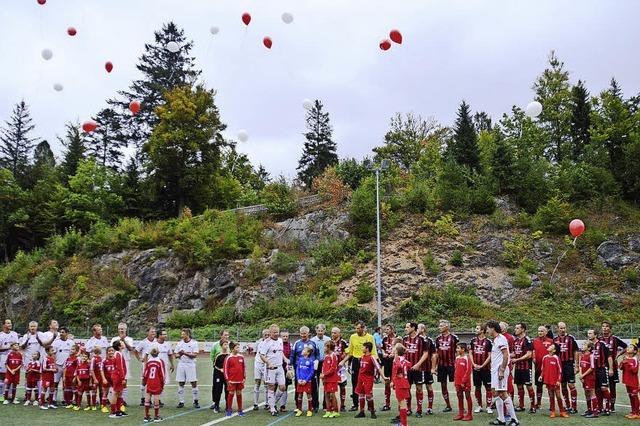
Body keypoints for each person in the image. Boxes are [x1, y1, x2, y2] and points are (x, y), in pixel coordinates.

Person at [485, 320, 519, 426]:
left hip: (500, 370)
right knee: (495, 392)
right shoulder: (495, 340)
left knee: (503, 393)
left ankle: (514, 420)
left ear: (492, 328)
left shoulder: (501, 339)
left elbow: (506, 355)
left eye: (487, 328)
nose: (486, 331)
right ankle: (501, 418)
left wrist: (502, 369)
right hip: (495, 370)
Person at [339, 321, 377, 412]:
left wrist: (374, 365)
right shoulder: (353, 337)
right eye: (356, 328)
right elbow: (350, 352)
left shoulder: (370, 337)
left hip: (367, 361)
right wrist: (343, 361)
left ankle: (370, 406)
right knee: (355, 383)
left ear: (363, 328)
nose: (357, 330)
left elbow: (374, 352)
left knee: (367, 384)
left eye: (359, 328)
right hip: (356, 361)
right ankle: (355, 404)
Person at [403, 321, 434, 417]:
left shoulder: (422, 339)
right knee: (407, 388)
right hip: (407, 369)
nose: (405, 329)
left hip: (419, 369)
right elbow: (403, 352)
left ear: (413, 328)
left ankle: (419, 410)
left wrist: (418, 364)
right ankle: (408, 409)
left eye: (407, 327)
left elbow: (426, 353)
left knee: (419, 388)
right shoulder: (405, 339)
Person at [290, 326, 320, 412]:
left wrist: (316, 361)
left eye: (305, 333)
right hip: (299, 369)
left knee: (313, 387)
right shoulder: (297, 343)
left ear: (308, 333)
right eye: (301, 333)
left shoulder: (313, 343)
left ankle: (315, 406)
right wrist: (290, 366)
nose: (303, 335)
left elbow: (317, 354)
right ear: (300, 333)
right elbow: (292, 355)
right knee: (298, 387)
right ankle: (298, 406)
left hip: (310, 369)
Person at [600, 320, 627, 412]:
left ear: (610, 329)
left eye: (607, 326)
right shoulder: (599, 339)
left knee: (612, 386)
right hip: (601, 367)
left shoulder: (615, 339)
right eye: (603, 326)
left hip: (613, 367)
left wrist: (618, 355)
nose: (605, 328)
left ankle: (612, 406)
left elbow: (626, 347)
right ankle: (603, 405)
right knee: (602, 387)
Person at [354, 341, 386, 419]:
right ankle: (362, 412)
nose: (362, 348)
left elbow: (378, 367)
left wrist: (384, 377)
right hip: (360, 378)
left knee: (369, 395)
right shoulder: (362, 357)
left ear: (367, 349)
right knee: (361, 395)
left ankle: (372, 411)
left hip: (368, 379)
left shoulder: (372, 357)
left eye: (363, 347)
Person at [260, 324, 286, 417]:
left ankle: (273, 402)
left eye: (277, 332)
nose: (276, 334)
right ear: (270, 333)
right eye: (274, 332)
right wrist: (269, 363)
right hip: (270, 369)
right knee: (271, 387)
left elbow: (281, 351)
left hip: (280, 367)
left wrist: (285, 359)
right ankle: (272, 409)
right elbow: (262, 355)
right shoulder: (266, 342)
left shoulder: (280, 340)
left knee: (282, 387)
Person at [554, 321, 579, 413]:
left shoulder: (571, 338)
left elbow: (576, 351)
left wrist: (576, 365)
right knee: (563, 385)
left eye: (564, 328)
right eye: (561, 328)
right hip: (560, 365)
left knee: (571, 385)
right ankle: (568, 405)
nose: (563, 330)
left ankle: (574, 407)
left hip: (569, 364)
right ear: (557, 329)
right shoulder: (555, 339)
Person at [434, 319, 459, 412]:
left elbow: (459, 351)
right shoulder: (438, 338)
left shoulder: (454, 338)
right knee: (443, 385)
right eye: (439, 325)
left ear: (447, 327)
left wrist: (458, 363)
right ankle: (448, 405)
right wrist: (435, 366)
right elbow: (436, 353)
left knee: (457, 385)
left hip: (452, 365)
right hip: (441, 365)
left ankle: (461, 405)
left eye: (441, 326)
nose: (439, 327)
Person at [588, 328, 613, 415]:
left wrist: (611, 368)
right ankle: (599, 407)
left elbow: (609, 356)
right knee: (597, 389)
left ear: (595, 335)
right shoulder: (589, 346)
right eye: (588, 334)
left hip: (602, 369)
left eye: (590, 333)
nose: (589, 335)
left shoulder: (602, 344)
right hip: (594, 371)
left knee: (604, 388)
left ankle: (608, 408)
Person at [540, 343, 569, 418]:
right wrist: (541, 376)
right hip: (548, 380)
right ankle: (553, 411)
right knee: (551, 395)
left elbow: (560, 370)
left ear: (554, 350)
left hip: (555, 380)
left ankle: (562, 411)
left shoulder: (556, 358)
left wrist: (558, 380)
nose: (549, 346)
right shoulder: (545, 357)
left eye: (551, 346)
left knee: (558, 396)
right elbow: (543, 369)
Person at [511, 323, 535, 413]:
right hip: (518, 368)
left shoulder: (527, 340)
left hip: (526, 367)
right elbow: (514, 353)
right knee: (519, 386)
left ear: (523, 329)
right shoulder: (515, 341)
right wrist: (507, 356)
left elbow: (529, 355)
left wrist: (517, 360)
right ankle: (521, 406)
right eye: (515, 328)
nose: (515, 329)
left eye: (517, 328)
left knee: (529, 386)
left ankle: (533, 406)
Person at [470, 323, 493, 414]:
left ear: (482, 330)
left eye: (477, 328)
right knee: (477, 387)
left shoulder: (488, 342)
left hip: (486, 369)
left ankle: (489, 406)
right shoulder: (473, 341)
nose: (476, 330)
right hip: (475, 368)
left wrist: (483, 365)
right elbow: (471, 353)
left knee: (488, 387)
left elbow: (490, 356)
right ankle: (479, 405)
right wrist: (473, 364)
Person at [110, 323, 135, 405]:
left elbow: (131, 349)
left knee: (124, 381)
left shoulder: (129, 339)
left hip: (126, 361)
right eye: (120, 328)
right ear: (118, 329)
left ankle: (122, 400)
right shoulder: (114, 339)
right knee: (115, 381)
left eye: (123, 329)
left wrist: (123, 340)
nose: (121, 330)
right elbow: (111, 349)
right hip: (116, 362)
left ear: (126, 329)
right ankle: (114, 399)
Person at [175, 328, 200, 409]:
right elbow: (176, 355)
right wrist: (180, 354)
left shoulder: (194, 343)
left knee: (193, 382)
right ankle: (181, 401)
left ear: (188, 334)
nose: (182, 335)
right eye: (181, 334)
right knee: (181, 382)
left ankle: (195, 401)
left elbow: (195, 355)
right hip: (181, 364)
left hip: (190, 364)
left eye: (183, 334)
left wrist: (184, 353)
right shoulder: (179, 343)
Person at [531, 324, 554, 409]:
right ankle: (539, 403)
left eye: (542, 331)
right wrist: (534, 358)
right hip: (538, 367)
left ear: (546, 332)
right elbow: (533, 351)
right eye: (539, 331)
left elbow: (553, 353)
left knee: (550, 386)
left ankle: (552, 405)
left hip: (548, 368)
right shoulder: (535, 341)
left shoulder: (551, 341)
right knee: (539, 385)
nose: (540, 332)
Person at [51, 326, 74, 406]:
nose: (61, 333)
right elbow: (53, 354)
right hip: (58, 365)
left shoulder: (71, 342)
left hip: (68, 367)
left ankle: (65, 399)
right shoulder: (55, 342)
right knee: (55, 383)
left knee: (66, 383)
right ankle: (53, 399)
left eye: (63, 332)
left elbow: (73, 353)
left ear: (67, 333)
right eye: (60, 332)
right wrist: (54, 364)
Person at [135, 326, 157, 407]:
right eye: (152, 331)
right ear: (148, 332)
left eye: (154, 332)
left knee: (153, 381)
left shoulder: (156, 341)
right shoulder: (143, 342)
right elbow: (136, 351)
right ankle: (143, 398)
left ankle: (154, 399)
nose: (153, 333)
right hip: (146, 365)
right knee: (144, 381)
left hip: (155, 365)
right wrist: (140, 359)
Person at [311, 323, 331, 413]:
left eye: (322, 330)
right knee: (315, 385)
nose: (320, 332)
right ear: (316, 331)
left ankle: (325, 405)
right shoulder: (312, 340)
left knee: (325, 384)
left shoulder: (328, 339)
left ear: (324, 331)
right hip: (316, 364)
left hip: (325, 363)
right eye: (318, 330)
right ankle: (315, 405)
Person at [143, 347, 166, 423]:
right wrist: (163, 383)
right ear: (158, 353)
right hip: (157, 381)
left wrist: (145, 381)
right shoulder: (160, 361)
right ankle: (156, 416)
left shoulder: (149, 361)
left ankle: (146, 416)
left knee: (148, 396)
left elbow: (145, 373)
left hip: (149, 381)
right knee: (156, 397)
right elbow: (162, 374)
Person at [223, 341, 246, 417]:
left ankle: (240, 409)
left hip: (240, 380)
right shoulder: (228, 358)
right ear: (232, 349)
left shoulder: (241, 357)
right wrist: (227, 379)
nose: (238, 348)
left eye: (239, 347)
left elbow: (244, 368)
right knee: (231, 394)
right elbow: (225, 369)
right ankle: (229, 409)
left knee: (239, 393)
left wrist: (244, 377)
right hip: (231, 380)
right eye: (237, 347)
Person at [392, 344, 412, 426]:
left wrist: (399, 373)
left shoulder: (397, 359)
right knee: (402, 402)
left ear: (396, 351)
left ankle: (404, 424)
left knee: (402, 403)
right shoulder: (404, 359)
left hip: (400, 382)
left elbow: (399, 366)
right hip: (404, 382)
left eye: (394, 349)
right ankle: (402, 423)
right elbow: (409, 364)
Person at [209, 329, 229, 410]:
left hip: (227, 372)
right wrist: (218, 367)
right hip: (218, 370)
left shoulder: (230, 345)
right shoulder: (215, 345)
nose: (227, 337)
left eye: (228, 335)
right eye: (225, 335)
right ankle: (215, 403)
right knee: (217, 387)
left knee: (227, 388)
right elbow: (212, 356)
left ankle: (228, 405)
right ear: (221, 336)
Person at [330, 326, 349, 412]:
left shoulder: (343, 342)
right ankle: (332, 405)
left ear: (339, 333)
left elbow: (349, 354)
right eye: (332, 332)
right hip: (332, 369)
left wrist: (343, 361)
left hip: (341, 368)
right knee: (331, 387)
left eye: (334, 332)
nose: (333, 334)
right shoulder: (329, 342)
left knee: (342, 387)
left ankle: (343, 405)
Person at [0, 319, 19, 402]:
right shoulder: (1, 335)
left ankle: (10, 395)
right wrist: (8, 347)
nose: (10, 324)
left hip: (13, 358)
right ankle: (1, 395)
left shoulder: (14, 334)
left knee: (12, 376)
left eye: (10, 323)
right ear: (4, 325)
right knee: (3, 376)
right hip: (3, 357)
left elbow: (16, 346)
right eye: (7, 323)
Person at [108, 340, 128, 418]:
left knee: (119, 393)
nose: (123, 343)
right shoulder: (118, 354)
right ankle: (113, 412)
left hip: (118, 376)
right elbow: (120, 367)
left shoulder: (118, 353)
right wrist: (123, 378)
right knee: (116, 393)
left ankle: (118, 410)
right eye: (122, 343)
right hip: (118, 377)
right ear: (119, 346)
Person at [155, 329, 175, 406]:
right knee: (155, 383)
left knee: (162, 383)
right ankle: (153, 399)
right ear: (159, 335)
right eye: (164, 334)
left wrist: (172, 364)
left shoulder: (167, 344)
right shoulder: (154, 344)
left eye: (166, 334)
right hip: (156, 367)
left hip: (164, 367)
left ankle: (158, 399)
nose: (165, 336)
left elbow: (170, 355)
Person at [453, 343, 473, 421]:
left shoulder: (467, 358)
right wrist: (455, 381)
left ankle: (469, 414)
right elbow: (456, 370)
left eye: (458, 348)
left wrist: (463, 381)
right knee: (459, 396)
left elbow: (468, 371)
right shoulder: (457, 358)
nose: (456, 350)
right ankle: (461, 414)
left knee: (468, 396)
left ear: (463, 349)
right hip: (458, 382)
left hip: (465, 383)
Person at [295, 346, 316, 417]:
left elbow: (311, 372)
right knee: (300, 395)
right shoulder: (300, 360)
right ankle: (299, 410)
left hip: (307, 381)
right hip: (300, 381)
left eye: (304, 350)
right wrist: (298, 379)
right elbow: (297, 370)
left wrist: (306, 380)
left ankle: (310, 410)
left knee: (309, 395)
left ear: (308, 353)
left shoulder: (311, 361)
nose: (303, 350)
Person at [619, 344, 639, 419]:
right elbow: (620, 368)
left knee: (634, 396)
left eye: (630, 347)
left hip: (633, 381)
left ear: (634, 351)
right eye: (628, 347)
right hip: (627, 381)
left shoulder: (635, 359)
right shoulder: (625, 358)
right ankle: (633, 411)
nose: (628, 348)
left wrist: (627, 363)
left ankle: (637, 413)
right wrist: (622, 362)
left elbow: (635, 371)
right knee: (630, 396)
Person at [320, 340, 340, 418]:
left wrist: (324, 374)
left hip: (332, 379)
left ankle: (335, 411)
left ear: (329, 347)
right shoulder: (326, 356)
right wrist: (322, 375)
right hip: (326, 379)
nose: (324, 348)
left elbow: (333, 368)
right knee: (326, 394)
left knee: (332, 394)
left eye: (325, 346)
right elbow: (323, 367)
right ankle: (328, 410)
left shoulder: (333, 356)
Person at [579, 341, 598, 418]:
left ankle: (595, 412)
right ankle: (589, 410)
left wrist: (583, 375)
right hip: (584, 378)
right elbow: (581, 366)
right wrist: (581, 376)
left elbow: (592, 368)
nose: (582, 346)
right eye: (582, 344)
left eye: (584, 345)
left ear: (589, 348)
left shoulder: (591, 356)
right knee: (586, 393)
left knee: (592, 393)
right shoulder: (582, 355)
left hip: (590, 377)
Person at [380, 324, 397, 411]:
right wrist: (383, 353)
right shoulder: (384, 339)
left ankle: (401, 405)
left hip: (395, 362)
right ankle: (387, 404)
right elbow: (382, 348)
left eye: (388, 329)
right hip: (387, 362)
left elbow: (401, 348)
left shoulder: (398, 338)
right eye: (385, 329)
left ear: (392, 329)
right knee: (387, 382)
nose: (386, 331)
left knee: (397, 383)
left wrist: (394, 354)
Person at [253, 328, 270, 410]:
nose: (267, 336)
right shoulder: (258, 342)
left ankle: (267, 403)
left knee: (266, 383)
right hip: (258, 364)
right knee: (257, 382)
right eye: (265, 335)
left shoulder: (271, 342)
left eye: (268, 334)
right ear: (262, 335)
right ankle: (255, 403)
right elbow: (255, 353)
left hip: (266, 364)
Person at [61, 344, 79, 408]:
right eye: (71, 349)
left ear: (77, 351)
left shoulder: (77, 359)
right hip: (67, 376)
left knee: (75, 389)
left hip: (73, 376)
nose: (71, 350)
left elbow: (78, 368)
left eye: (73, 349)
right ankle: (69, 403)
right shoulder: (68, 359)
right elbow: (65, 368)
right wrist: (64, 376)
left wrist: (75, 377)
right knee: (67, 389)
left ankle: (77, 403)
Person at [280, 330, 292, 412]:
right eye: (283, 336)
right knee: (276, 386)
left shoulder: (290, 345)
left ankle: (282, 405)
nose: (285, 338)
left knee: (285, 387)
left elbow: (291, 355)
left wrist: (289, 367)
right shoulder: (278, 344)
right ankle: (272, 405)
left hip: (286, 368)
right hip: (277, 368)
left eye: (286, 336)